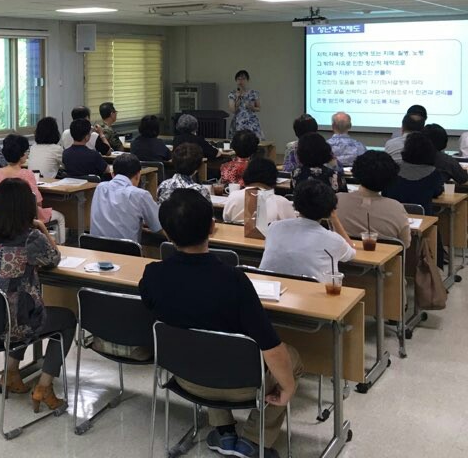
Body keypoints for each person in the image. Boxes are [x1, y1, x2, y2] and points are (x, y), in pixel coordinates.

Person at [139, 189, 301, 458]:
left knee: (204, 342)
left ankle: (224, 431)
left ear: (166, 233)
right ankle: (254, 440)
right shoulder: (234, 280)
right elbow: (271, 348)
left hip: (184, 375)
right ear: (212, 227)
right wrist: (288, 388)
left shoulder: (152, 274)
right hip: (240, 384)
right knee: (290, 357)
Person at [0, 179, 75, 412]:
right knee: (67, 319)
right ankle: (44, 386)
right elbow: (54, 258)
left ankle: (11, 373)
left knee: (18, 304)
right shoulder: (31, 237)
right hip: (10, 327)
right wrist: (41, 228)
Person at [260, 180, 356, 281]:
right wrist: (334, 218)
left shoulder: (274, 227)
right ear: (330, 208)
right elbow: (351, 252)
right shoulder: (334, 240)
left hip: (269, 286)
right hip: (312, 289)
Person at [0, 134, 66, 243]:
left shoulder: (0, 173)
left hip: (7, 215)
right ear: (21, 155)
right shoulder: (26, 174)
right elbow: (37, 202)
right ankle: (62, 247)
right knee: (60, 217)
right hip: (27, 217)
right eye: (26, 151)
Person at [335, 151, 411, 248]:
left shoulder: (337, 200)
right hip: (386, 256)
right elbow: (405, 244)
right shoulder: (396, 207)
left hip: (343, 256)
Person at [90, 153, 162, 244]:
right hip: (126, 250)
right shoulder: (141, 195)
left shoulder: (100, 187)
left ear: (112, 174)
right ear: (138, 175)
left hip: (95, 248)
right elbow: (158, 226)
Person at [384, 132, 444, 217]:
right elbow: (437, 192)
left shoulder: (393, 170)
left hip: (394, 217)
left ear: (406, 150)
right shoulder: (433, 173)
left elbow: (385, 193)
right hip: (423, 219)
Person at [223, 159, 296, 227]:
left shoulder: (234, 196)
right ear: (274, 177)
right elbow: (292, 228)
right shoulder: (281, 202)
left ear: (246, 175)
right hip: (267, 237)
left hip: (234, 236)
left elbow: (226, 220)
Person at [227, 69, 263, 139]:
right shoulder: (233, 94)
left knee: (253, 141)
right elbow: (232, 110)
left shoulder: (254, 93)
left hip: (251, 121)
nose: (241, 81)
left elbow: (259, 108)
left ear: (248, 80)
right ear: (236, 81)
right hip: (238, 121)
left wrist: (252, 107)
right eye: (239, 79)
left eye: (243, 79)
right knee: (239, 141)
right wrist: (238, 98)